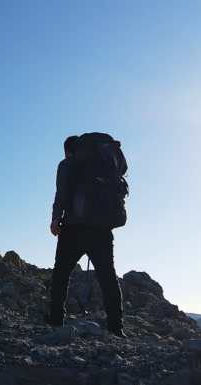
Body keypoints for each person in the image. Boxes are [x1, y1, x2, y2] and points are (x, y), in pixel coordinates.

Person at [46, 135, 126, 338]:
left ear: (67, 150)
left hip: (73, 228)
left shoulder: (67, 165)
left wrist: (56, 218)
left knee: (62, 274)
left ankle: (56, 319)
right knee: (108, 277)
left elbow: (61, 193)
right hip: (102, 230)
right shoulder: (104, 167)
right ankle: (116, 327)